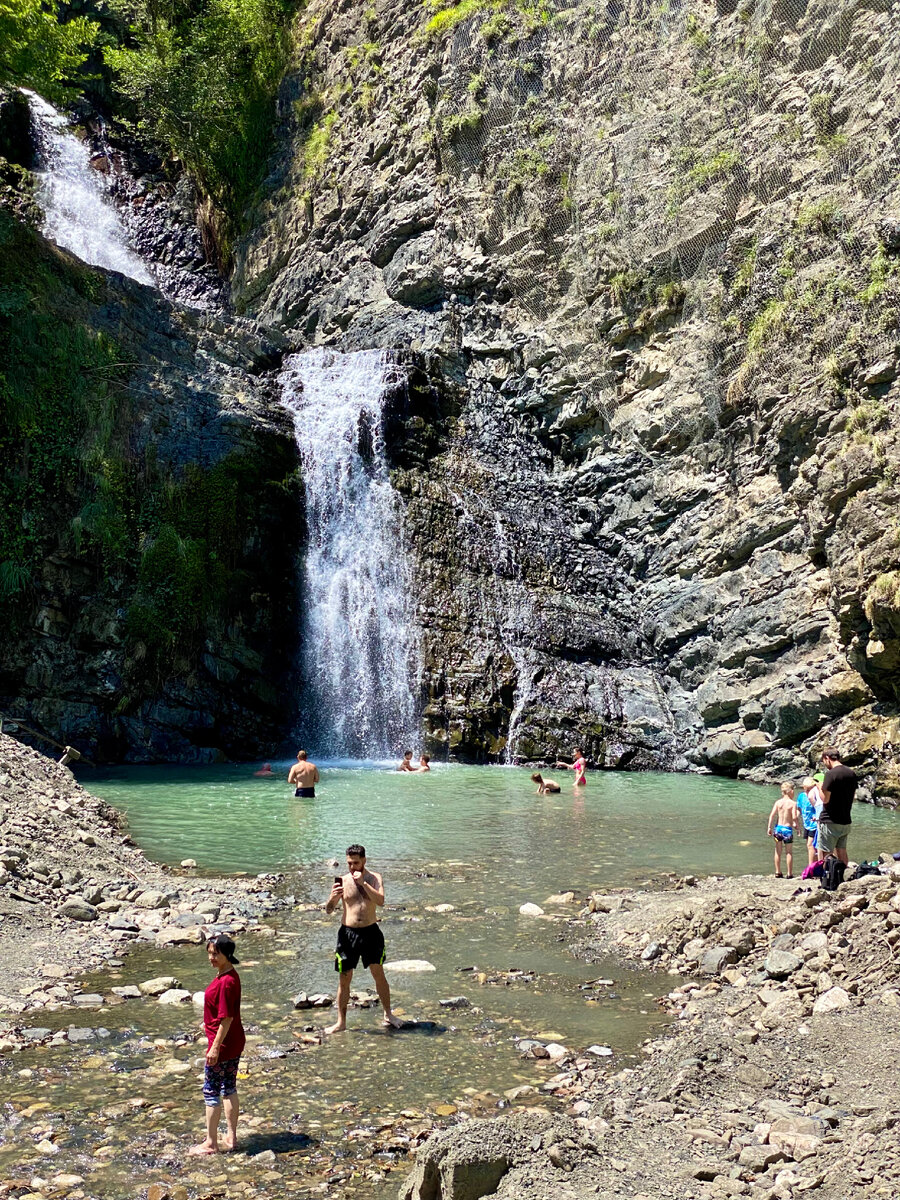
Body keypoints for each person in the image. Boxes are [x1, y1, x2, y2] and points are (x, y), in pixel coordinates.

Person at [324, 843, 403, 1034]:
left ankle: (387, 1014)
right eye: (349, 863)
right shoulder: (342, 880)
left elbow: (381, 901)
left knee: (378, 974)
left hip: (371, 932)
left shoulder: (375, 878)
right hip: (347, 934)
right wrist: (333, 899)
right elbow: (328, 911)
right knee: (344, 978)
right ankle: (341, 1022)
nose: (352, 867)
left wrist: (363, 884)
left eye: (356, 863)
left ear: (364, 861)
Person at [189, 934, 245, 1156]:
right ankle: (231, 1136)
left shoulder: (226, 983)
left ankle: (211, 1143)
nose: (211, 957)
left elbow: (227, 1019)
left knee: (211, 1091)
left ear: (227, 955)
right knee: (229, 1087)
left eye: (216, 953)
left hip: (222, 1045)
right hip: (234, 1042)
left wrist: (214, 1047)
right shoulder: (230, 975)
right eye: (210, 953)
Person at [819, 748, 858, 866]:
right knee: (842, 851)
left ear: (827, 758)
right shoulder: (851, 773)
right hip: (845, 820)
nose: (825, 764)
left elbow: (825, 799)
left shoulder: (830, 774)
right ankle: (844, 876)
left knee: (827, 852)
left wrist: (819, 787)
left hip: (830, 820)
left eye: (824, 761)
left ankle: (828, 878)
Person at [766, 782, 802, 878]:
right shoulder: (793, 803)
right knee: (789, 852)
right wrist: (798, 828)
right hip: (787, 830)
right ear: (791, 791)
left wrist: (769, 827)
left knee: (778, 850)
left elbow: (772, 815)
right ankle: (789, 873)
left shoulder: (778, 802)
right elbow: (794, 817)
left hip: (778, 829)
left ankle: (778, 871)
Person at [796, 777, 819, 868]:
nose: (808, 792)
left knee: (810, 845)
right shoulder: (801, 796)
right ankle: (815, 865)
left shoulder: (816, 796)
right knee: (811, 846)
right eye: (806, 790)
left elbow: (820, 808)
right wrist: (795, 818)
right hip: (807, 824)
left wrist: (816, 816)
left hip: (814, 824)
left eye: (810, 790)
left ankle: (811, 867)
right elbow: (799, 808)